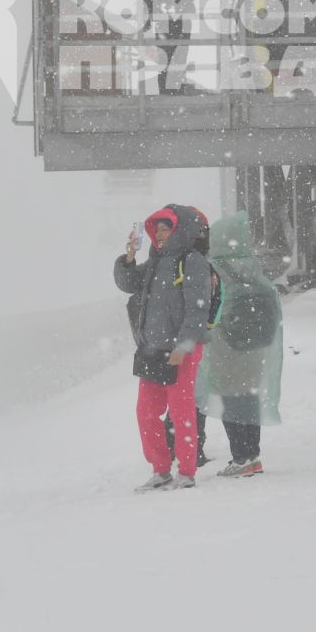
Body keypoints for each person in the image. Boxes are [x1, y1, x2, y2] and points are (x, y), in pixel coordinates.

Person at [114, 204, 214, 491]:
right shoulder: (155, 262)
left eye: (165, 228)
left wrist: (184, 344)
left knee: (181, 412)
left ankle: (186, 472)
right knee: (145, 412)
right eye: (156, 229)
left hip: (181, 350)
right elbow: (128, 282)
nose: (159, 235)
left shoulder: (191, 260)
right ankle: (160, 470)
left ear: (179, 230)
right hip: (153, 350)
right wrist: (129, 257)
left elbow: (199, 308)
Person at [196, 212, 284, 478]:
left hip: (227, 345)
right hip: (256, 347)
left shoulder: (216, 268)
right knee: (248, 397)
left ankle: (241, 458)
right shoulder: (251, 265)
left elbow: (212, 305)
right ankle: (252, 455)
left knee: (230, 399)